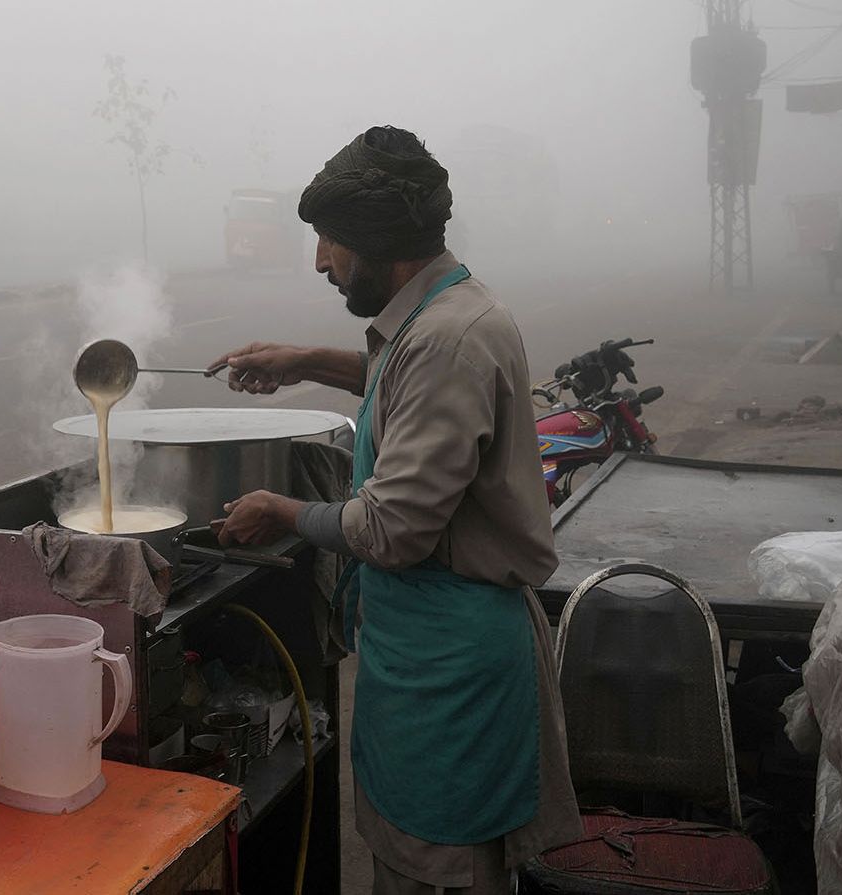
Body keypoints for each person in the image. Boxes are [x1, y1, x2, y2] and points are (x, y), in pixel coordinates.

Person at [210, 126, 578, 894]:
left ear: (381, 242)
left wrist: (281, 509)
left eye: (331, 241)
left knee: (436, 871)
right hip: (420, 650)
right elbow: (396, 375)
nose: (320, 261)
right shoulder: (443, 311)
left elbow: (389, 527)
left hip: (452, 669)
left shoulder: (450, 340)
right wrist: (301, 360)